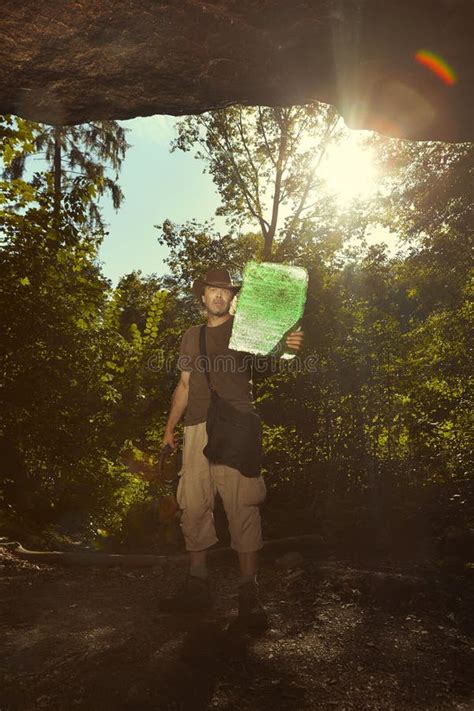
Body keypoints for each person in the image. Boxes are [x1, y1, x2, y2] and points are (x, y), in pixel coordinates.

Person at [159, 267, 304, 631]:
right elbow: (184, 384)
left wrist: (290, 345)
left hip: (237, 427)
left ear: (233, 297)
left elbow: (275, 354)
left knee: (242, 506)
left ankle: (248, 595)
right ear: (202, 296)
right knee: (192, 506)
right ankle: (197, 586)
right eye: (213, 290)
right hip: (196, 430)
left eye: (225, 291)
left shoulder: (246, 330)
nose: (219, 296)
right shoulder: (191, 337)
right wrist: (168, 430)